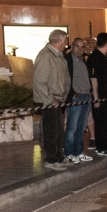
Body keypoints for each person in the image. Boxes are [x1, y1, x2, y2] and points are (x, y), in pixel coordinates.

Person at [33, 29, 72, 171]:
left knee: (59, 130)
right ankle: (51, 159)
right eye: (65, 40)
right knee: (51, 131)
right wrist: (51, 99)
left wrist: (63, 96)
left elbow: (64, 78)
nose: (66, 44)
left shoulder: (59, 56)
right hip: (48, 101)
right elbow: (39, 81)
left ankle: (59, 157)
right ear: (60, 41)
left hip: (59, 99)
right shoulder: (45, 56)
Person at [64, 37, 93, 163]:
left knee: (81, 127)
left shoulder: (83, 61)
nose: (80, 49)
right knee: (72, 127)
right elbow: (64, 79)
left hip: (86, 96)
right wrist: (71, 94)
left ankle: (78, 151)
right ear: (72, 46)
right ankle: (69, 153)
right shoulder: (67, 60)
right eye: (77, 46)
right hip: (76, 97)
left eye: (82, 47)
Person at [88, 32, 107, 157]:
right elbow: (93, 79)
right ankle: (100, 147)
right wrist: (96, 98)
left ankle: (105, 145)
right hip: (101, 97)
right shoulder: (94, 57)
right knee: (101, 122)